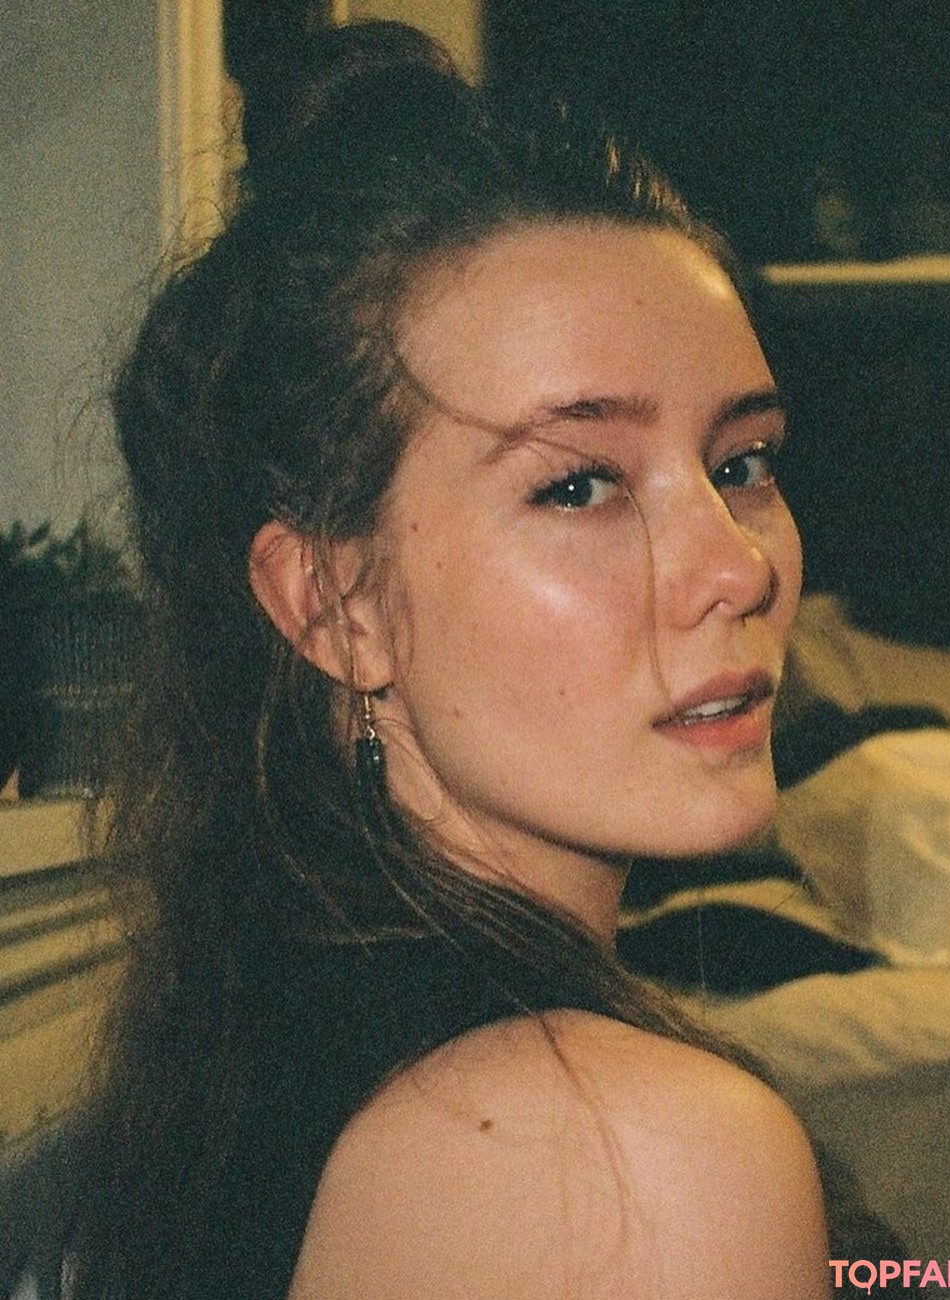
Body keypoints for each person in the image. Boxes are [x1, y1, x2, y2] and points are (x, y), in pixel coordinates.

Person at [70, 20, 829, 1299]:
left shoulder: (274, 1030)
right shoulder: (632, 1156)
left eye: (741, 463)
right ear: (334, 605)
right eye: (580, 484)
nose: (737, 564)